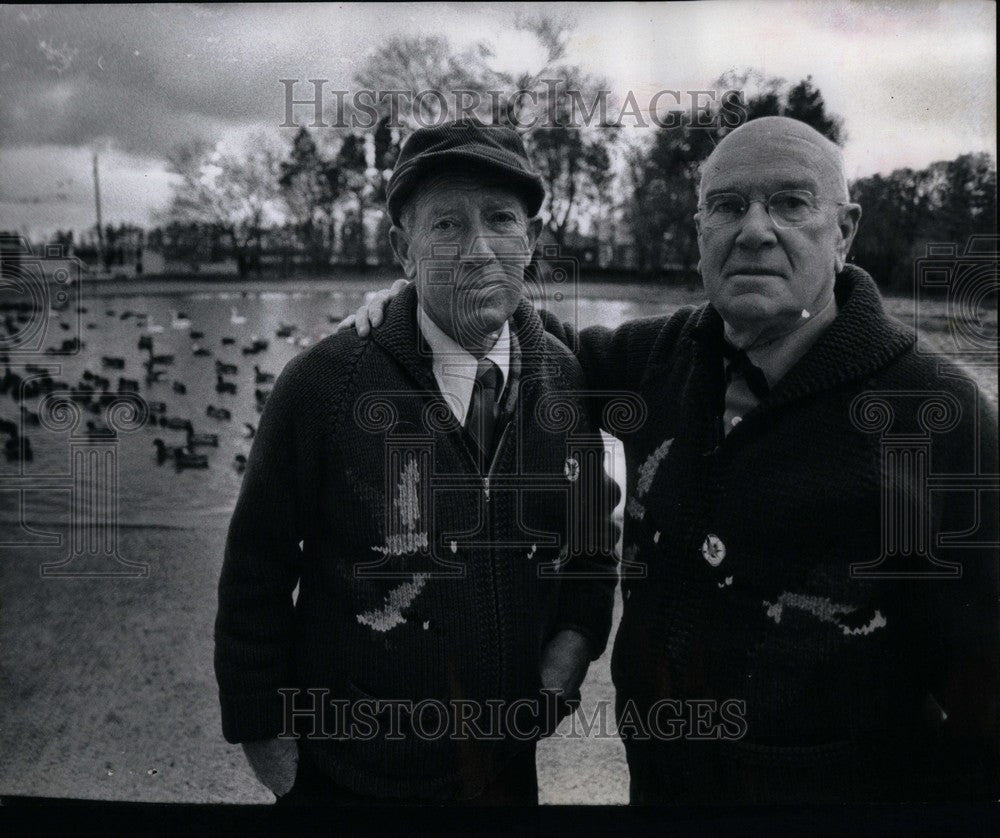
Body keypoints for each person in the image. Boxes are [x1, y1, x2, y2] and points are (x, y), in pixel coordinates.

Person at [347, 116, 999, 802]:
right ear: (700, 233)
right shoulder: (661, 357)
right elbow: (540, 352)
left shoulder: (935, 414)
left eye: (790, 203)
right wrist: (427, 295)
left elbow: (986, 699)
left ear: (844, 232)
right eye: (727, 205)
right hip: (659, 791)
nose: (753, 229)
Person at [213, 118, 619, 805]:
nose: (479, 250)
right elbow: (254, 577)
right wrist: (278, 758)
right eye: (447, 226)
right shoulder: (323, 385)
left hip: (504, 769)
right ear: (403, 249)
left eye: (501, 220)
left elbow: (592, 543)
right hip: (353, 779)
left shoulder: (567, 379)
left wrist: (571, 650)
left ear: (532, 243)